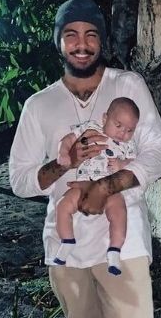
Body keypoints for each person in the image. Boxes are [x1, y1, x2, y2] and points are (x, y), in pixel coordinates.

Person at [9, 0, 161, 318]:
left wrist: (107, 186)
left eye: (90, 34)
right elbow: (21, 180)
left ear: (102, 40)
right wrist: (62, 164)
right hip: (68, 243)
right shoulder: (39, 105)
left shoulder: (127, 85)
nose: (81, 44)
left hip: (124, 238)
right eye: (71, 35)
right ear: (58, 41)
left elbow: (156, 151)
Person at [55, 97, 140, 276]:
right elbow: (68, 139)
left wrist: (122, 164)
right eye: (118, 125)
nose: (123, 133)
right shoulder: (91, 128)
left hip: (110, 189)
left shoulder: (128, 145)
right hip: (83, 184)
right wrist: (63, 153)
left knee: (119, 213)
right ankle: (67, 241)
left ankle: (114, 251)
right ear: (104, 118)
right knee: (62, 206)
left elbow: (136, 164)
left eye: (129, 130)